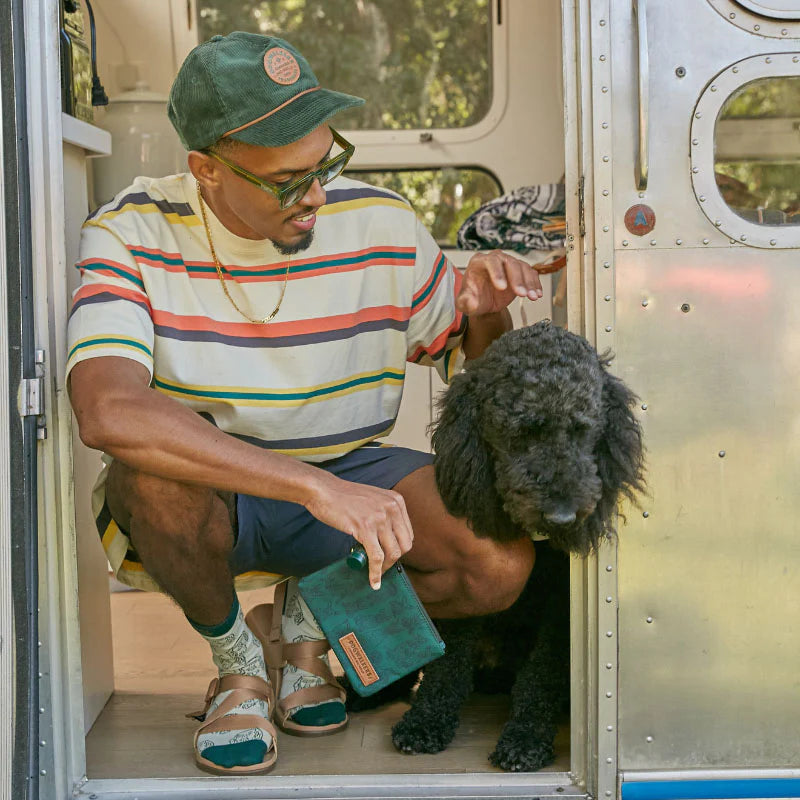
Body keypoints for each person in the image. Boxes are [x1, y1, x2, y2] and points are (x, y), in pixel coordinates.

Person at [67, 32, 541, 775]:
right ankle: (240, 661)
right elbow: (108, 410)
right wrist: (315, 489)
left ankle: (308, 617)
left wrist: (484, 311)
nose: (317, 194)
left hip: (352, 468)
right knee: (146, 471)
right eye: (288, 180)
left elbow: (476, 383)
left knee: (496, 565)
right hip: (219, 493)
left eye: (326, 163)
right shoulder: (131, 231)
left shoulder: (381, 222)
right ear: (206, 171)